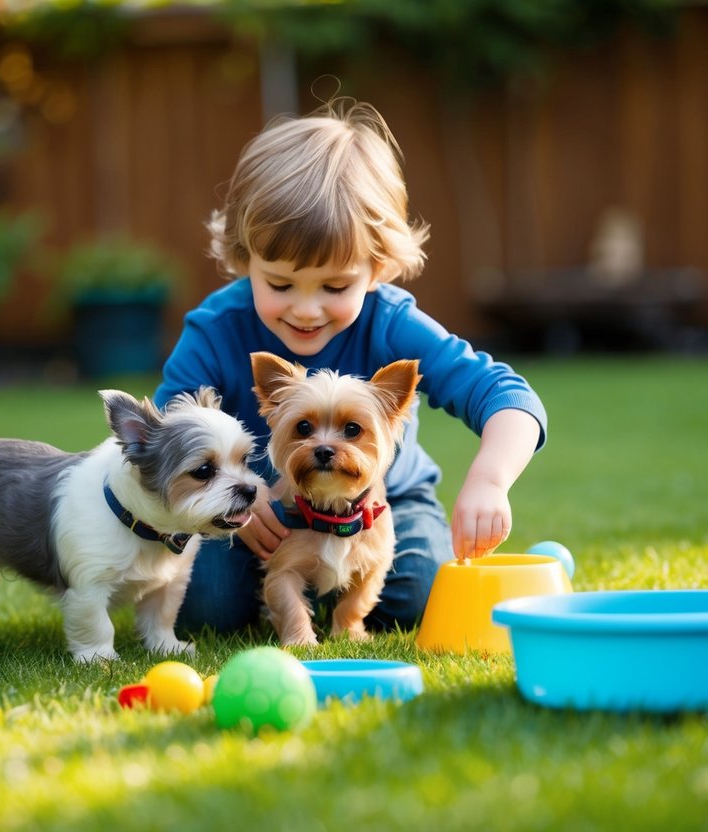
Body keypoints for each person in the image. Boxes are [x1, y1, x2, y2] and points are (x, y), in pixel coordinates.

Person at [154, 98, 547, 635]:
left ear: (378, 268)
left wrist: (489, 481)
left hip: (384, 504)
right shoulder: (216, 329)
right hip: (249, 507)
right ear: (245, 259)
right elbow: (165, 436)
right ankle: (285, 599)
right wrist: (233, 493)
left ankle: (336, 606)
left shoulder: (391, 323)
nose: (307, 308)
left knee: (423, 596)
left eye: (336, 286)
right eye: (281, 283)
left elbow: (507, 396)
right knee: (210, 609)